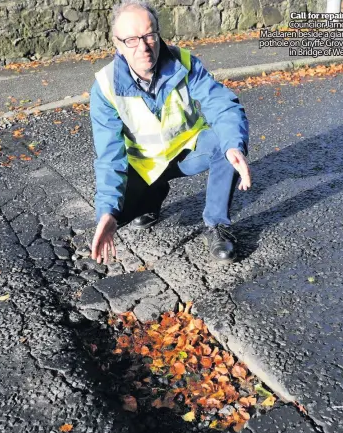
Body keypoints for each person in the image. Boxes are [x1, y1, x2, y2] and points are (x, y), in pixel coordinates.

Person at [90, 0, 251, 265]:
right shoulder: (105, 87)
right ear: (117, 45)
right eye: (131, 40)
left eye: (149, 35)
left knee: (225, 144)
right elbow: (109, 156)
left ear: (158, 34)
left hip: (188, 152)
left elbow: (221, 104)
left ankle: (217, 225)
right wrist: (106, 211)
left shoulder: (184, 62)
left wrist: (234, 144)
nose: (143, 47)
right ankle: (151, 200)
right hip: (145, 166)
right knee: (120, 213)